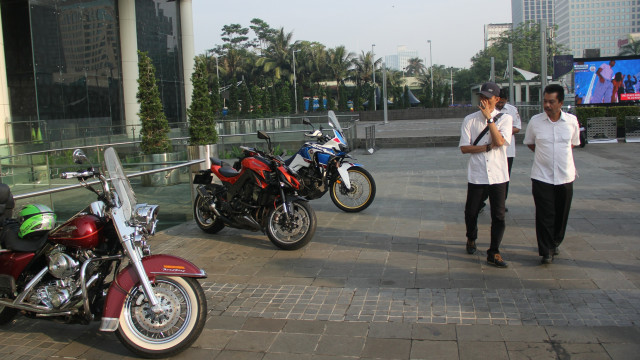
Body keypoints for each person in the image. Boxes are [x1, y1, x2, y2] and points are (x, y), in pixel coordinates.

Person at [523, 84, 580, 265]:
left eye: (551, 102)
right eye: (545, 101)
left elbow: (572, 143)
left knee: (561, 213)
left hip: (565, 176)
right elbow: (530, 143)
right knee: (544, 214)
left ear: (561, 103)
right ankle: (546, 249)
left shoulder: (571, 122)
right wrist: (546, 155)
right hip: (542, 176)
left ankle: (555, 241)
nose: (547, 105)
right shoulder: (535, 122)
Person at [459, 82, 513, 268]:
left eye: (488, 98)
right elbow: (465, 148)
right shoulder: (470, 120)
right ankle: (471, 238)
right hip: (478, 174)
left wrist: (489, 119)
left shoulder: (505, 119)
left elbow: (500, 141)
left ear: (496, 99)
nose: (483, 101)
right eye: (481, 97)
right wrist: (486, 147)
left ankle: (494, 251)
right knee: (471, 211)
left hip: (498, 175)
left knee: (498, 215)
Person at [480, 89, 521, 213]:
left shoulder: (512, 111)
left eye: (503, 102)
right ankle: (481, 201)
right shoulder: (485, 110)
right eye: (499, 102)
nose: (500, 105)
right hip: (490, 149)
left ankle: (500, 202)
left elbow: (517, 128)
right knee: (487, 176)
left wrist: (504, 131)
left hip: (507, 151)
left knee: (504, 177)